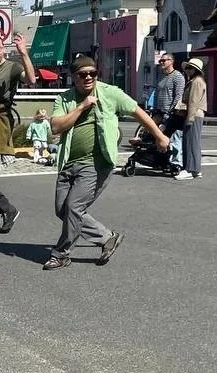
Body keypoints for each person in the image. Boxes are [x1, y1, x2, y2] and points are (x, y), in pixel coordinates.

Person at [44, 55, 168, 271]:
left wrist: (158, 135)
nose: (89, 77)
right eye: (83, 74)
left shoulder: (109, 93)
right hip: (68, 162)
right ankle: (107, 237)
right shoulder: (64, 99)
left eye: (93, 73)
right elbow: (56, 127)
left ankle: (61, 253)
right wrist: (82, 107)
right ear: (74, 77)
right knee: (62, 210)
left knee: (74, 207)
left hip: (95, 163)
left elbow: (137, 111)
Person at [0, 33, 36, 236]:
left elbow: (31, 79)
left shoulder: (12, 67)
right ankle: (7, 210)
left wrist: (24, 54)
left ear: (4, 48)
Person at [175, 58, 207, 181]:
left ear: (195, 70)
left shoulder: (196, 82)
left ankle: (190, 169)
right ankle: (195, 169)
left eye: (190, 68)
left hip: (193, 114)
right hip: (196, 114)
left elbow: (193, 101)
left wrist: (190, 118)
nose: (187, 70)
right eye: (187, 68)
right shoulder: (196, 81)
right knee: (193, 142)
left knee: (190, 142)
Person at [153, 54, 185, 169]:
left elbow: (178, 96)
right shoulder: (161, 77)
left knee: (171, 138)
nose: (161, 62)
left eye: (163, 60)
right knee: (159, 136)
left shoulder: (177, 76)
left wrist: (171, 111)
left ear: (171, 61)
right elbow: (156, 93)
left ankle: (175, 163)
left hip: (170, 113)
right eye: (160, 61)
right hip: (159, 112)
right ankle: (161, 161)